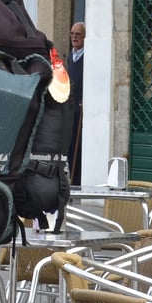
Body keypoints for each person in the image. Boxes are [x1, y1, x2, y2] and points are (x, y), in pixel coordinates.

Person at [67, 21, 85, 185]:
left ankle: (77, 178)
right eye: (72, 34)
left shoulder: (87, 57)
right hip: (70, 107)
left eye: (78, 34)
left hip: (81, 108)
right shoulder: (70, 56)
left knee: (78, 145)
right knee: (69, 142)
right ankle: (70, 177)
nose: (74, 37)